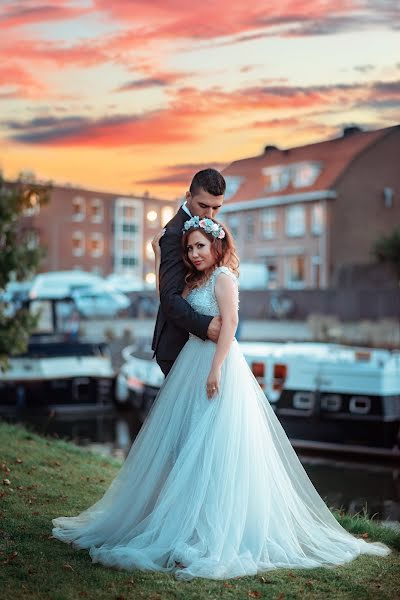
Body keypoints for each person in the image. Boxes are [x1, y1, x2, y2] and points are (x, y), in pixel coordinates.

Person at [52, 217, 390, 581]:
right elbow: (169, 305)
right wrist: (156, 258)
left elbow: (229, 323)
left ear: (216, 245)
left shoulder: (224, 278)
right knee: (191, 447)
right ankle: (188, 521)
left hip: (218, 366)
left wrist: (215, 369)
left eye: (200, 246)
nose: (195, 253)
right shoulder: (194, 280)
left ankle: (211, 529)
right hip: (190, 365)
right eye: (190, 248)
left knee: (214, 447)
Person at [151, 168, 225, 376]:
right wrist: (205, 326)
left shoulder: (210, 228)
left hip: (205, 346)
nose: (209, 215)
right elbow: (168, 297)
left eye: (216, 208)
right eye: (203, 206)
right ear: (188, 197)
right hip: (179, 346)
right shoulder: (174, 234)